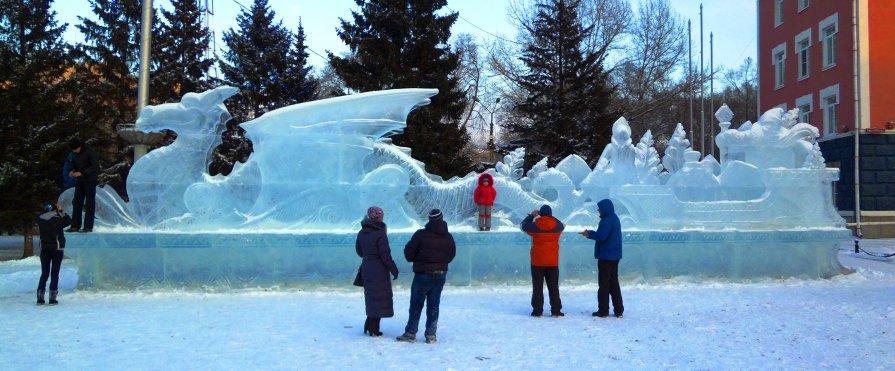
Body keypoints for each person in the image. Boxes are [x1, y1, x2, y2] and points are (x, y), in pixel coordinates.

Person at [396, 209, 456, 344]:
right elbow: (451, 255)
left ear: (429, 219)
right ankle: (431, 335)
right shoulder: (448, 237)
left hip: (422, 274)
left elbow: (409, 254)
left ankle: (411, 333)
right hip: (440, 274)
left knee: (416, 305)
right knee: (434, 305)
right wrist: (441, 263)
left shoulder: (420, 235)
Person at [355, 206, 399, 337]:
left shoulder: (362, 232)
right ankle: (374, 328)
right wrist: (394, 269)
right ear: (379, 218)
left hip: (367, 267)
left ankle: (369, 324)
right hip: (379, 269)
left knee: (371, 296)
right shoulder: (380, 233)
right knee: (380, 297)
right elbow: (385, 255)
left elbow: (359, 251)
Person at [580, 199, 624, 318]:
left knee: (604, 284)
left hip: (606, 257)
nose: (598, 210)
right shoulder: (615, 218)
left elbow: (601, 236)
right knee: (614, 282)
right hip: (615, 256)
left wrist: (588, 233)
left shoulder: (606, 221)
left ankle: (603, 310)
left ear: (604, 208)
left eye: (599, 208)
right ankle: (619, 309)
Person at [520, 204, 565, 317]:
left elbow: (523, 226)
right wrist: (550, 217)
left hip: (537, 261)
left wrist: (532, 215)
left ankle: (537, 310)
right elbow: (562, 224)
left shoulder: (535, 226)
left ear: (541, 213)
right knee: (553, 287)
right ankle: (556, 310)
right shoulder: (557, 227)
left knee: (537, 287)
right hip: (552, 262)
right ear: (550, 214)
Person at [35, 203, 71, 305]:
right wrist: (61, 211)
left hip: (44, 249)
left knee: (44, 273)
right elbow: (69, 220)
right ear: (55, 211)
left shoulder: (40, 219)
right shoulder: (58, 220)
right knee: (54, 274)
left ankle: (40, 297)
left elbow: (40, 215)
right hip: (57, 249)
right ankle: (52, 298)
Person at [67, 138, 100, 233]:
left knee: (89, 203)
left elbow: (95, 167)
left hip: (90, 180)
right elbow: (73, 162)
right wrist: (73, 170)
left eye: (75, 149)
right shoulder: (75, 153)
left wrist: (82, 173)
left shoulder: (90, 152)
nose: (74, 151)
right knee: (77, 202)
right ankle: (75, 226)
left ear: (79, 147)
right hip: (80, 180)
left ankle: (88, 226)